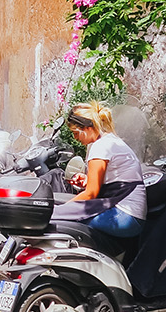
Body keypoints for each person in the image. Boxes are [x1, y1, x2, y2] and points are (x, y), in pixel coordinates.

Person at [61, 101, 147, 238]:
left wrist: (63, 209)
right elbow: (114, 179)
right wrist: (88, 180)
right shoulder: (109, 140)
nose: (75, 138)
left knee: (59, 219)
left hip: (124, 216)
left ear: (87, 128)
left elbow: (90, 194)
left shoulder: (101, 147)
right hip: (130, 215)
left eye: (75, 132)